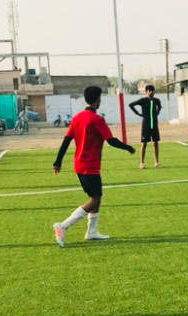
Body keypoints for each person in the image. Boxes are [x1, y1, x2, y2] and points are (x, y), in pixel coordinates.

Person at [52, 86, 135, 247]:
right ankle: (63, 226)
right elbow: (111, 140)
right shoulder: (97, 119)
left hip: (79, 165)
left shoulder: (77, 118)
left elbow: (66, 141)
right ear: (97, 99)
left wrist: (58, 162)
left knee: (97, 197)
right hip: (89, 166)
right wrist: (128, 147)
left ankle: (91, 232)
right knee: (94, 199)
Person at [129, 84, 162, 169]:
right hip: (146, 125)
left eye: (152, 91)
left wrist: (157, 113)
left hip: (154, 124)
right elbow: (131, 105)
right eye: (149, 91)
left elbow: (159, 107)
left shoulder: (156, 100)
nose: (151, 92)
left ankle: (156, 163)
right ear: (146, 92)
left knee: (155, 143)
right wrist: (138, 113)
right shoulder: (143, 100)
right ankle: (142, 163)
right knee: (144, 143)